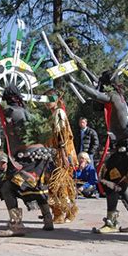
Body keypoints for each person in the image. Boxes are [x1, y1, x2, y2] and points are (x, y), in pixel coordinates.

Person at [0, 84, 55, 237]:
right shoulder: (27, 113)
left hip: (26, 158)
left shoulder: (10, 112)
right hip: (40, 157)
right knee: (34, 187)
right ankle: (48, 219)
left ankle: (16, 225)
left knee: (7, 187)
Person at [69, 71, 128, 233]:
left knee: (109, 182)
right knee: (120, 185)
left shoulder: (112, 96)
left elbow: (95, 94)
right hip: (126, 148)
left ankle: (112, 223)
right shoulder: (119, 98)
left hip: (125, 150)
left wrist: (75, 82)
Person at [44, 89, 79, 223]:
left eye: (50, 99)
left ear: (57, 99)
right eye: (46, 100)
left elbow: (61, 137)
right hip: (57, 154)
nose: (48, 103)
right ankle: (68, 212)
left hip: (62, 154)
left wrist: (64, 156)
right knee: (61, 185)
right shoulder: (54, 114)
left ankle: (60, 214)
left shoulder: (59, 113)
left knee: (58, 185)